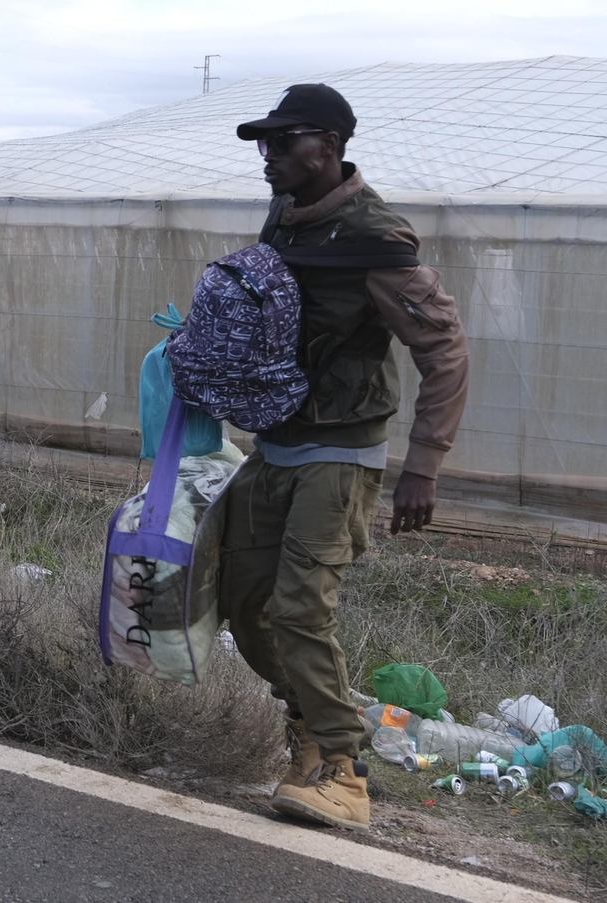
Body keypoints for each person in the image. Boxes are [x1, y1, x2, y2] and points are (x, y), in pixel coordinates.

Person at [222, 84, 470, 831]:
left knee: (300, 608)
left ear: (326, 146)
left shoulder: (376, 240)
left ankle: (344, 770)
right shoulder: (285, 215)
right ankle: (309, 725)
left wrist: (422, 466)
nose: (268, 155)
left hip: (340, 450)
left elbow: (445, 350)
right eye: (264, 143)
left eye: (282, 141)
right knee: (245, 605)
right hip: (278, 442)